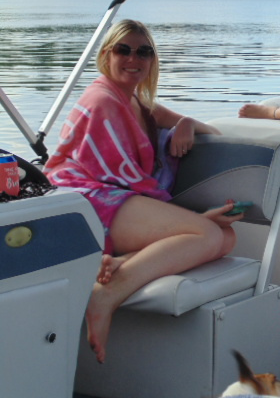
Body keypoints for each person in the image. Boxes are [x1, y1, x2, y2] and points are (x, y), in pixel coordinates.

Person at [44, 19, 240, 364]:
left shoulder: (137, 103)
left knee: (225, 238)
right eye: (124, 49)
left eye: (143, 51)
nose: (133, 58)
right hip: (85, 201)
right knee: (208, 233)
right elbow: (111, 174)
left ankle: (119, 265)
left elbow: (211, 131)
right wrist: (190, 219)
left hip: (112, 197)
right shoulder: (102, 99)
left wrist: (186, 124)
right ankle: (104, 296)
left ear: (152, 60)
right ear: (107, 54)